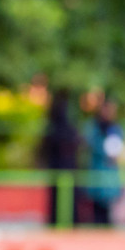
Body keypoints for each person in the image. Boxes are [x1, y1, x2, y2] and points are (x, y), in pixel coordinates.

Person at [39, 89, 81, 226]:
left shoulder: (59, 128)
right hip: (63, 170)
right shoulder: (59, 128)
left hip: (65, 171)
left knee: (65, 203)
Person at [85, 97, 123, 226]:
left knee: (108, 205)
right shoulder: (94, 127)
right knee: (97, 205)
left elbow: (117, 147)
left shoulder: (115, 128)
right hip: (98, 169)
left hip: (109, 171)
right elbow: (93, 145)